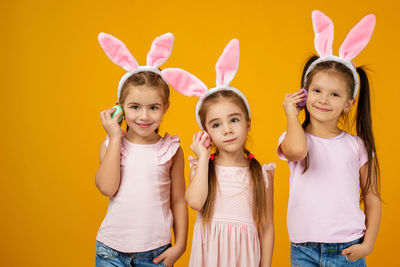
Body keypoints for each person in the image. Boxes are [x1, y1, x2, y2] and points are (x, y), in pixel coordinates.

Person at [278, 10, 381, 266]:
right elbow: (298, 152)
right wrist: (292, 113)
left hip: (348, 248)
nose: (323, 99)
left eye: (335, 95)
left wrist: (367, 244)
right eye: (316, 90)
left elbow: (372, 197)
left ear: (349, 103)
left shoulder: (357, 146)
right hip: (303, 249)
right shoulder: (292, 137)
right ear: (305, 92)